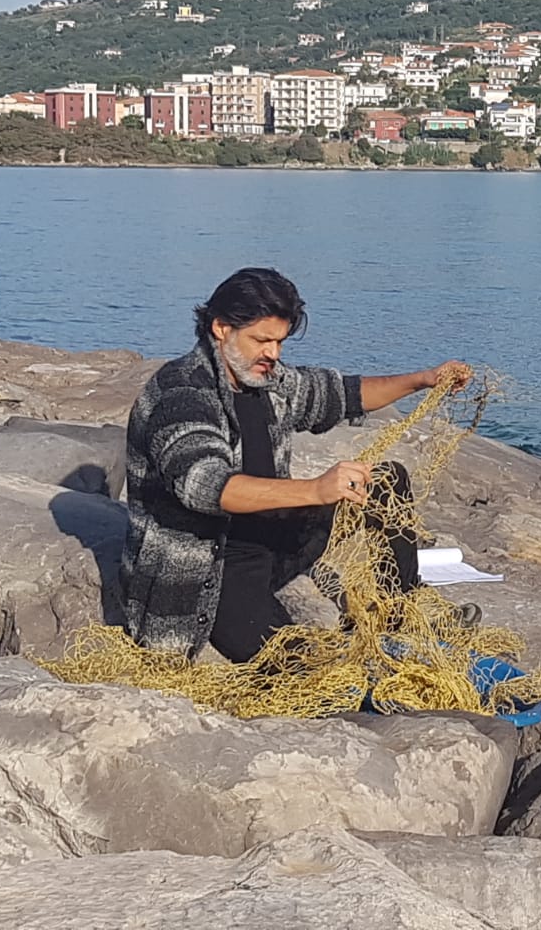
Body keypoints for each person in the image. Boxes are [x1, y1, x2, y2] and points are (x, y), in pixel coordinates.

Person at [121, 267, 472, 663]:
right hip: (209, 574)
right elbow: (205, 486)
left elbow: (340, 394)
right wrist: (316, 490)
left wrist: (424, 379)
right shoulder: (182, 393)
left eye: (280, 342)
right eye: (262, 340)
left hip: (271, 540)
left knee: (386, 483)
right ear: (220, 328)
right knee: (306, 666)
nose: (273, 353)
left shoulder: (265, 380)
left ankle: (399, 614)